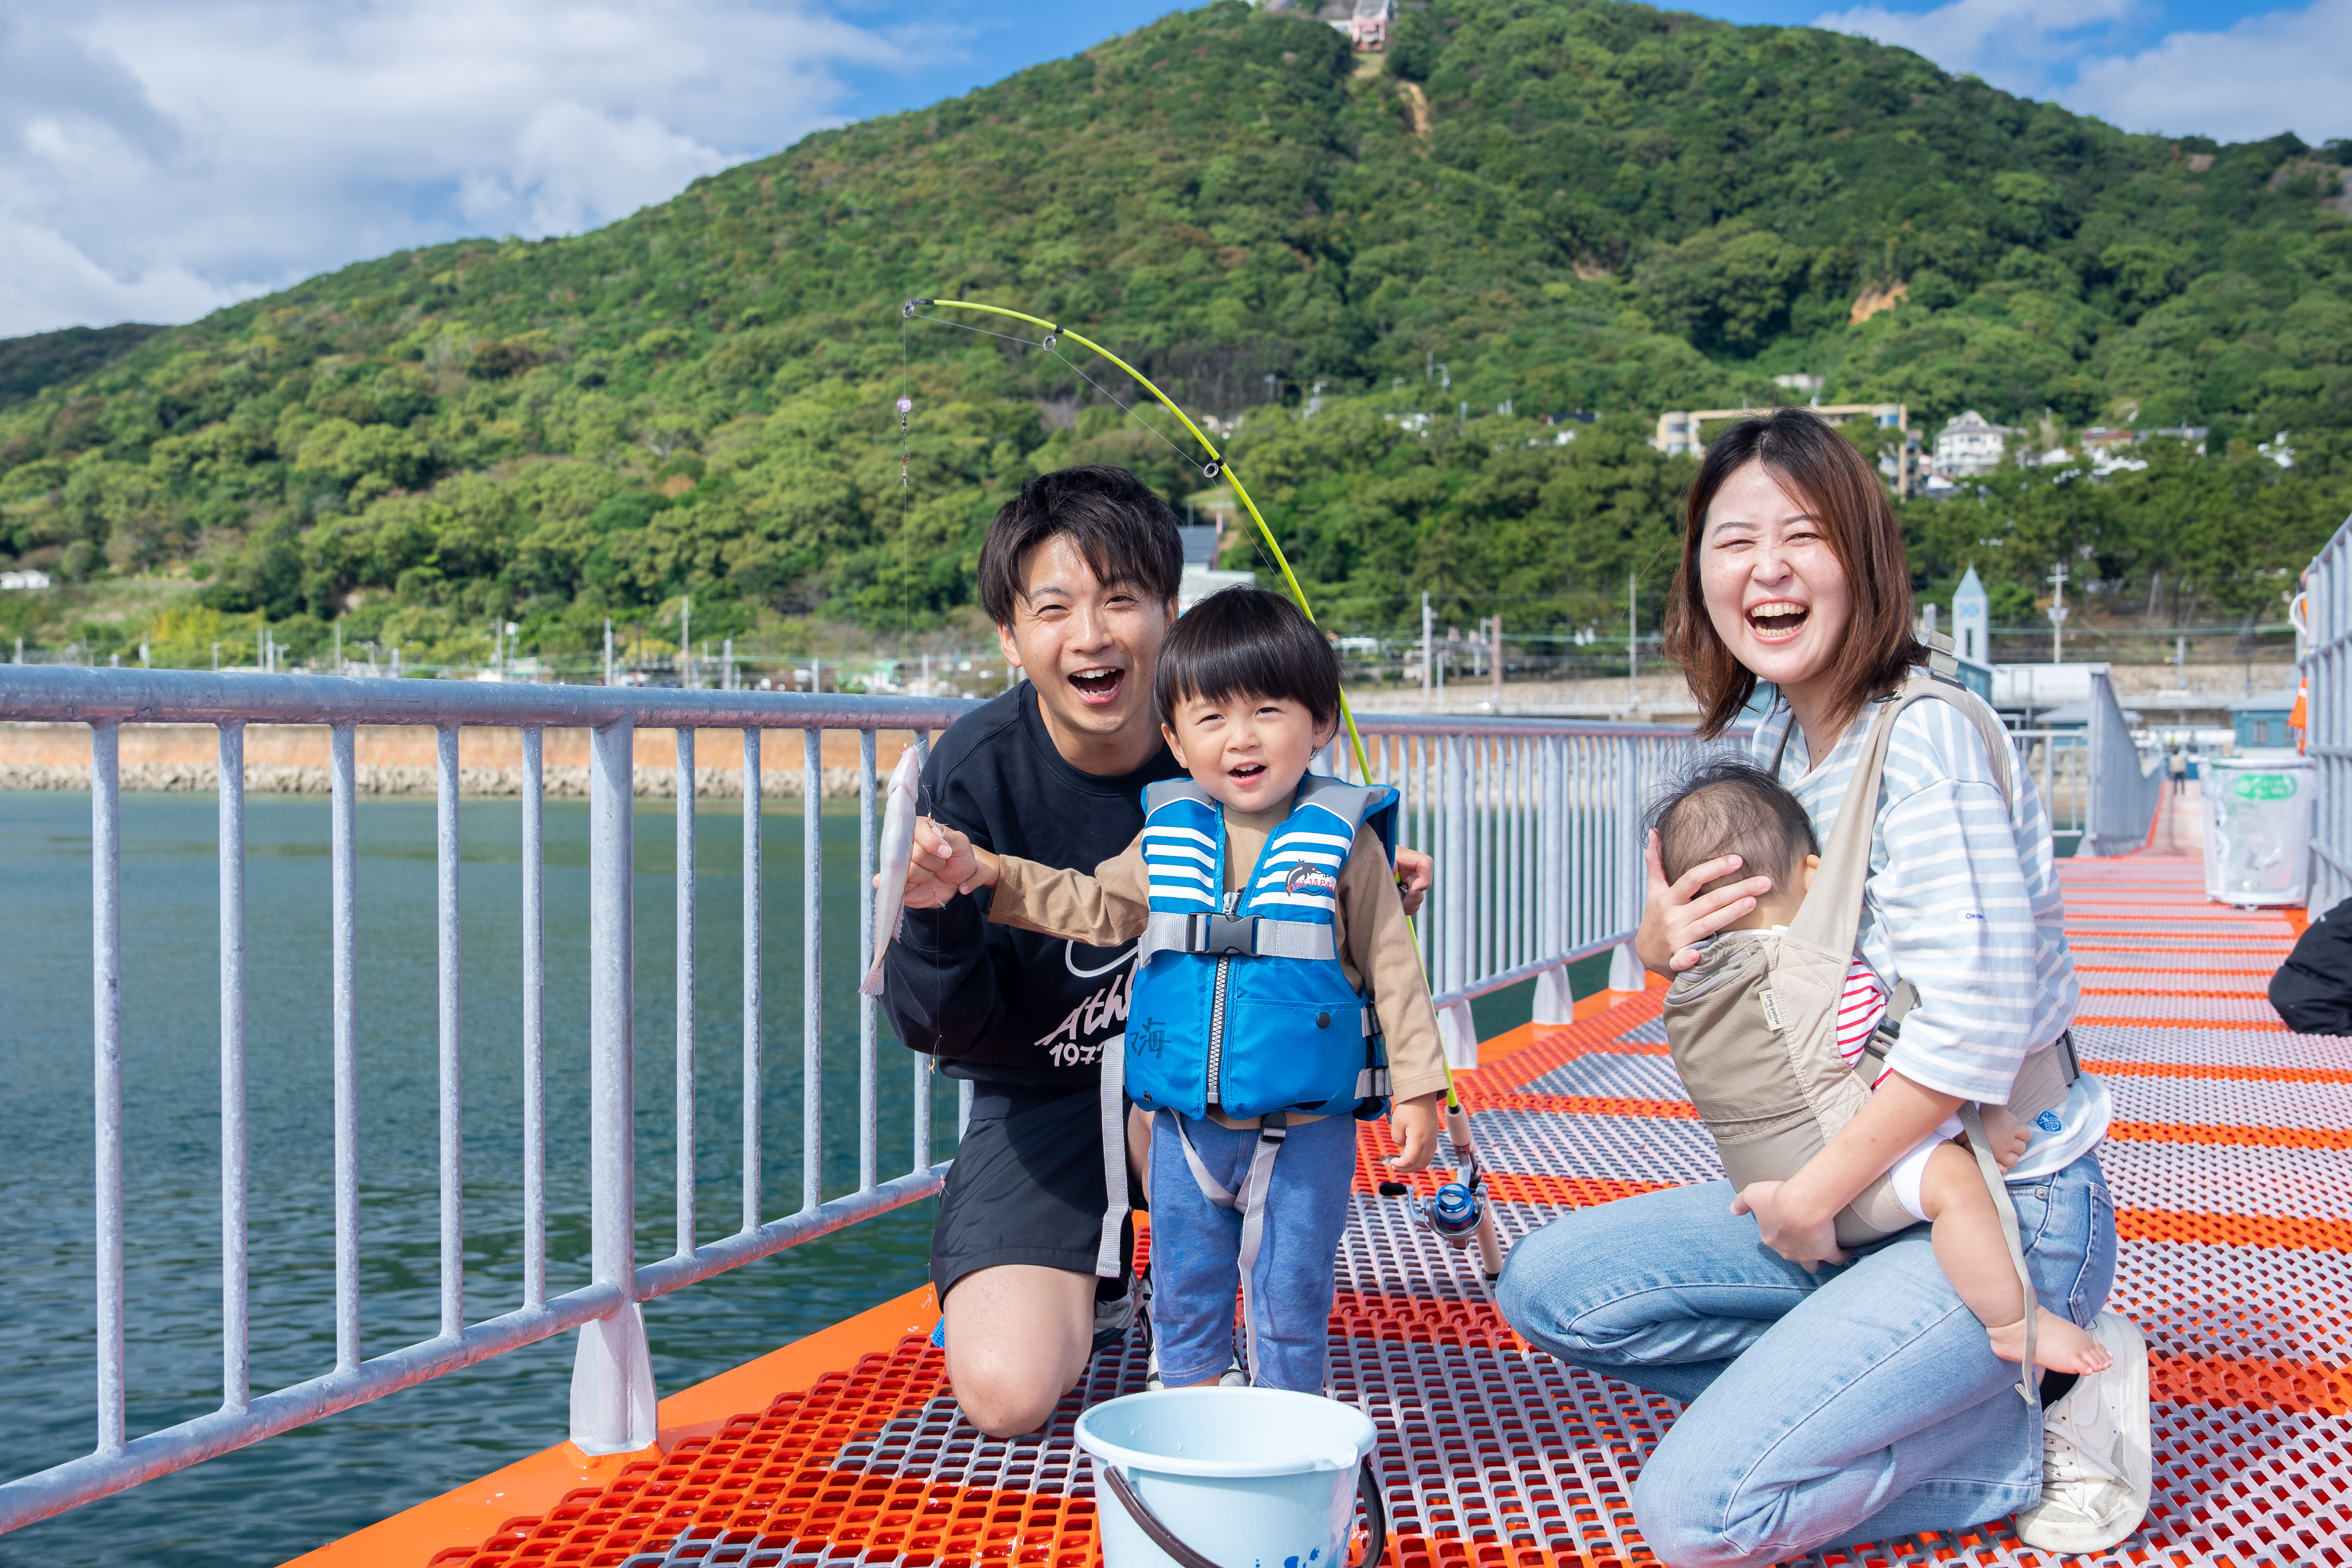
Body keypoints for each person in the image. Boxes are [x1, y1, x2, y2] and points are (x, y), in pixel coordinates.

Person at [1494, 409, 2150, 1563]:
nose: (1767, 569)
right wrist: (1656, 947)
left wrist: (1807, 1203)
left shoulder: (1927, 739)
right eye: (1732, 541)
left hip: (2000, 1206)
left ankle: (2032, 1425)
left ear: (1865, 558)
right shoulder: (1778, 744)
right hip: (1861, 1195)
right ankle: (1903, 1378)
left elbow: (1977, 1029)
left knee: (1700, 1515)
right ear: (1699, 576)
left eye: (1803, 536)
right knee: (1551, 1284)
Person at [878, 467, 1430, 1436]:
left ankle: (1244, 1355)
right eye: (1053, 609)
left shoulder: (1236, 746)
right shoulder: (969, 773)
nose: (1090, 635)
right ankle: (1093, 1279)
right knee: (1004, 1395)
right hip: (1042, 1094)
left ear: (1170, 613)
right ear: (1011, 636)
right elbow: (936, 1021)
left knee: (1275, 1244)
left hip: (1205, 1084)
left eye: (1120, 600)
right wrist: (937, 909)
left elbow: (1348, 941)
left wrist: (1368, 921)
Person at [1650, 759, 2111, 1374]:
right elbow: (1900, 1063)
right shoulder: (1822, 980)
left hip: (1764, 1186)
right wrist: (1981, 1124)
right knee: (1955, 1182)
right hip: (1841, 1190)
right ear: (1815, 875)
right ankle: (2013, 1322)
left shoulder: (1696, 984)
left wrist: (1654, 953)